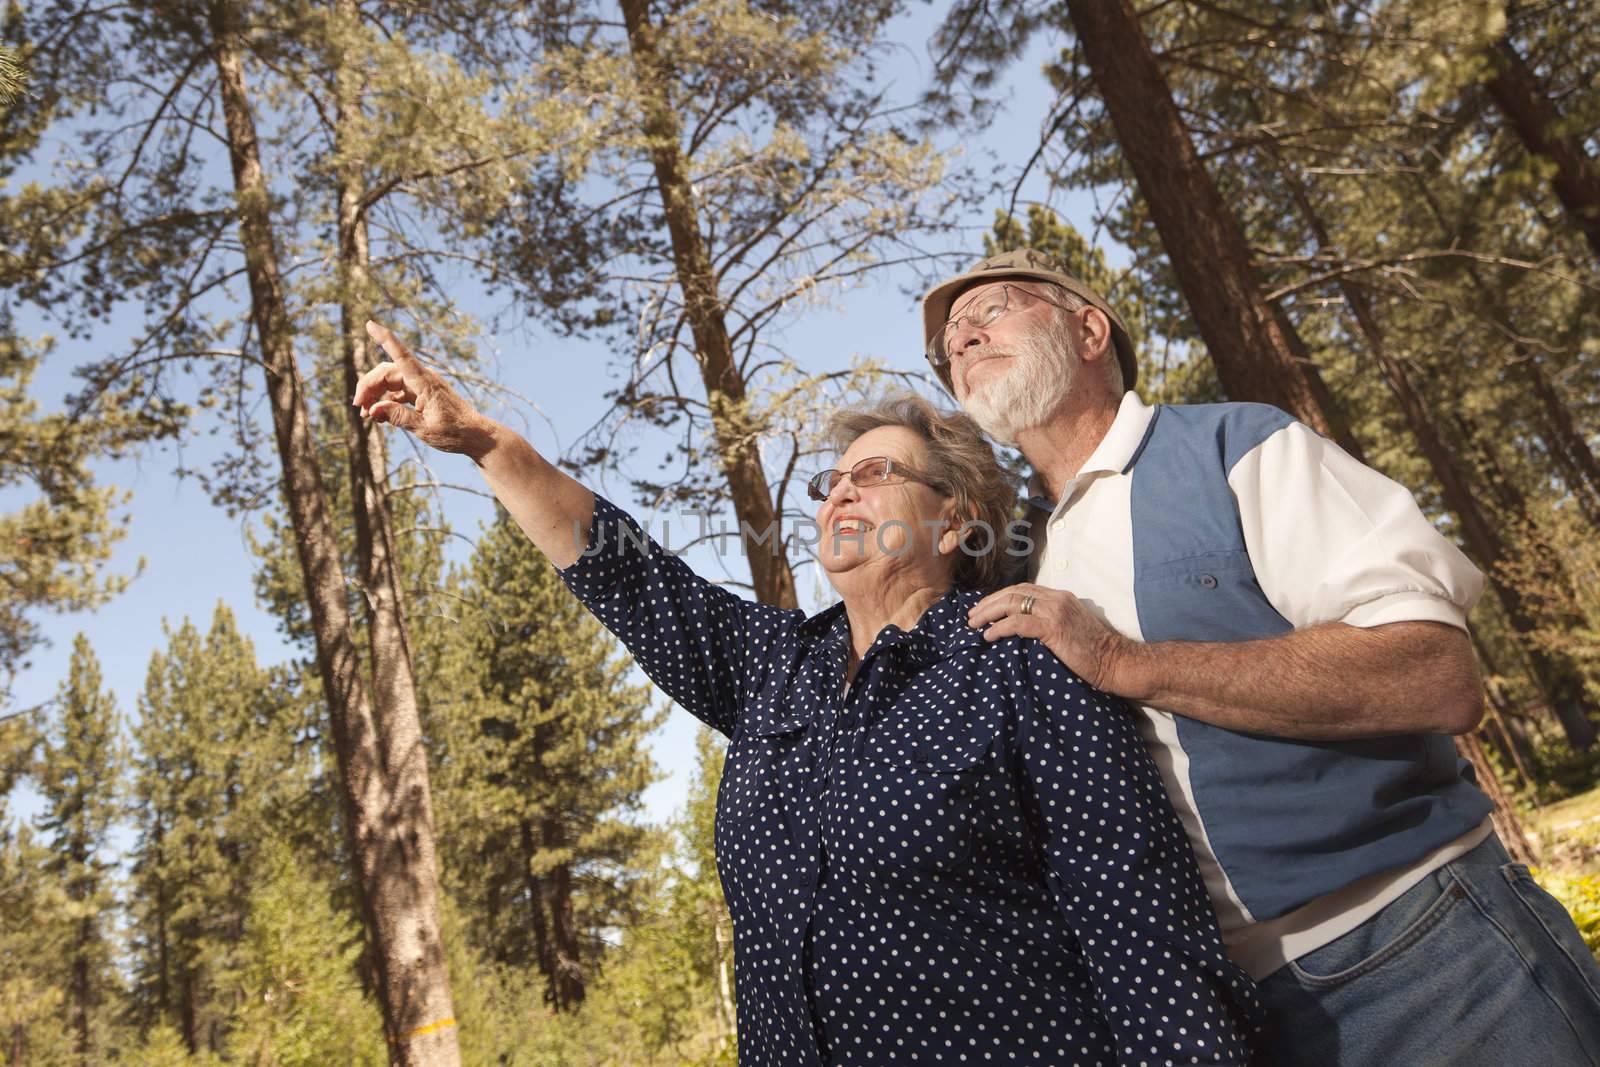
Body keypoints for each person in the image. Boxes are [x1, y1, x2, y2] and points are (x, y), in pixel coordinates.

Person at [353, 320, 1263, 1066]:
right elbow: (628, 572)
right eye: (831, 484)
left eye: (874, 475)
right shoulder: (770, 667)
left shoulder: (1023, 658)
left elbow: (1145, 935)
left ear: (956, 519)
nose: (837, 497)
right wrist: (484, 442)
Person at [923, 247, 1600, 1066]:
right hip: (1228, 1019)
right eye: (948, 338)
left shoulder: (1237, 447)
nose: (960, 339)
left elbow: (1435, 672)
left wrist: (1125, 661)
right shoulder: (1023, 558)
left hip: (1431, 956)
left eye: (988, 310)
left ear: (1089, 328)